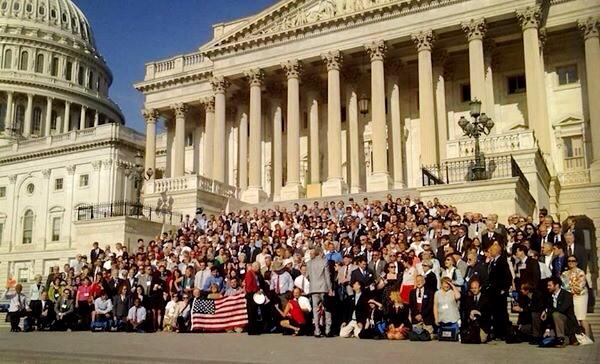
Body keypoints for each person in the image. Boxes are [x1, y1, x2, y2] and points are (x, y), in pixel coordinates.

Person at [561, 255, 593, 341]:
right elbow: (563, 286)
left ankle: (588, 337)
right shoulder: (564, 273)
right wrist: (569, 289)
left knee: (581, 317)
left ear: (576, 262)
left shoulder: (581, 272)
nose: (571, 262)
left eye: (573, 261)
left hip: (580, 297)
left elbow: (580, 286)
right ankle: (577, 337)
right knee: (573, 317)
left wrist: (570, 288)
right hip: (570, 298)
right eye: (569, 261)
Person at [542, 277, 579, 346]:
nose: (548, 287)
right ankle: (566, 339)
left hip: (568, 324)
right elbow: (550, 312)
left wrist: (547, 311)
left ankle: (561, 339)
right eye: (547, 285)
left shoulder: (567, 295)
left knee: (556, 314)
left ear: (556, 285)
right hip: (556, 324)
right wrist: (547, 329)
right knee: (547, 340)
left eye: (550, 285)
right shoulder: (549, 296)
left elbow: (561, 309)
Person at [486, 242, 512, 340]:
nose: (490, 251)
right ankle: (496, 332)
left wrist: (504, 289)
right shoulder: (493, 262)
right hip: (493, 291)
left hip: (499, 292)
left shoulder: (502, 261)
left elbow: (507, 277)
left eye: (491, 250)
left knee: (501, 313)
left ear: (497, 251)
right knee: (495, 312)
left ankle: (502, 333)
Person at [306, 247, 333, 337]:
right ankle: (328, 330)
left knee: (315, 310)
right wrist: (330, 289)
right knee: (327, 309)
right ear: (320, 253)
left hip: (313, 288)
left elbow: (307, 276)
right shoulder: (324, 261)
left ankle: (317, 330)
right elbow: (327, 276)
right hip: (323, 287)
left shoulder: (309, 263)